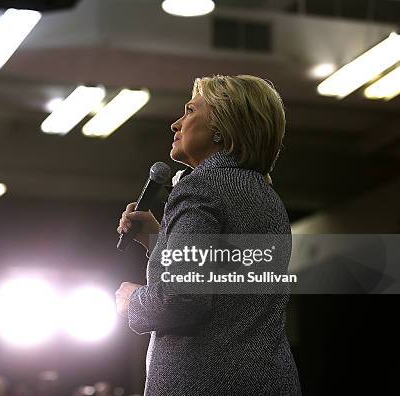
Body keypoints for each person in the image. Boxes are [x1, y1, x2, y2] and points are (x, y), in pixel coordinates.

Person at [115, 75, 301, 395]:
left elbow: (184, 296)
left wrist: (134, 301)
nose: (176, 123)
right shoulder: (266, 195)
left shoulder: (200, 187)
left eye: (189, 111)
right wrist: (157, 241)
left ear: (221, 127)